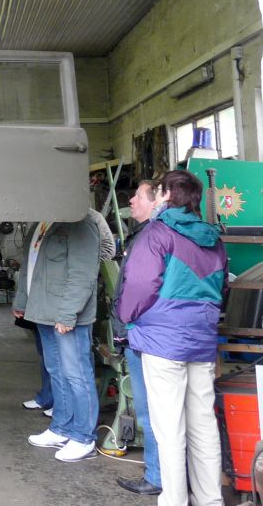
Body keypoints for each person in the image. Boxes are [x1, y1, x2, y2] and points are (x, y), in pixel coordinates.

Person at [116, 170, 227, 506]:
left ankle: (175, 500)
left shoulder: (158, 233)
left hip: (163, 342)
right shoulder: (213, 238)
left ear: (165, 195)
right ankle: (210, 500)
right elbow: (221, 287)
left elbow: (139, 285)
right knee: (203, 426)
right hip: (202, 339)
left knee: (169, 429)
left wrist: (127, 318)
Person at [13, 214, 101, 462]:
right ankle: (61, 428)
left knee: (77, 374)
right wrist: (22, 301)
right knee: (57, 371)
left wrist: (68, 313)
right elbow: (29, 268)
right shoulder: (40, 223)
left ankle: (84, 437)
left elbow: (83, 274)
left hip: (65, 314)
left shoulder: (80, 223)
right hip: (43, 310)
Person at [112, 180, 163, 496]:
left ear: (156, 201)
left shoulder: (151, 237)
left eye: (137, 196)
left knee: (150, 410)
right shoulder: (146, 234)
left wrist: (126, 323)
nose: (131, 200)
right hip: (145, 334)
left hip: (143, 336)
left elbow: (140, 289)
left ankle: (157, 476)